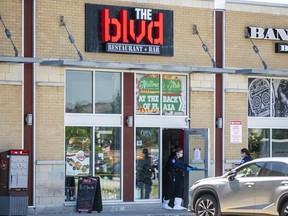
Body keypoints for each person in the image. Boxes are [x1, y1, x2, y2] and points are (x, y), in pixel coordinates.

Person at [162, 146, 197, 210]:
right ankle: (165, 203)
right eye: (181, 153)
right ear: (177, 152)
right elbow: (176, 165)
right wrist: (185, 168)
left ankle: (177, 205)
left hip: (178, 176)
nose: (181, 154)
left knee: (179, 189)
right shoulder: (173, 159)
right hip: (172, 176)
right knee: (171, 190)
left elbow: (184, 164)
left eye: (182, 153)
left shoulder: (180, 159)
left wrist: (191, 167)